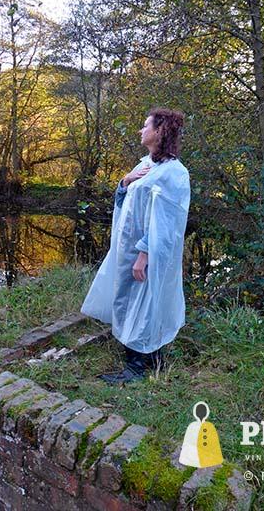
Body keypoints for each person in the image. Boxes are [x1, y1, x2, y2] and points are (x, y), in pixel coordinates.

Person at [81, 107, 191, 384]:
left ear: (159, 131)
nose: (141, 130)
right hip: (127, 247)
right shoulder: (145, 165)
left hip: (147, 252)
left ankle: (136, 367)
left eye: (146, 126)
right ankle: (148, 357)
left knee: (145, 301)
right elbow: (126, 200)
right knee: (127, 299)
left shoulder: (174, 173)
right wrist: (124, 181)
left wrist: (145, 253)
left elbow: (167, 221)